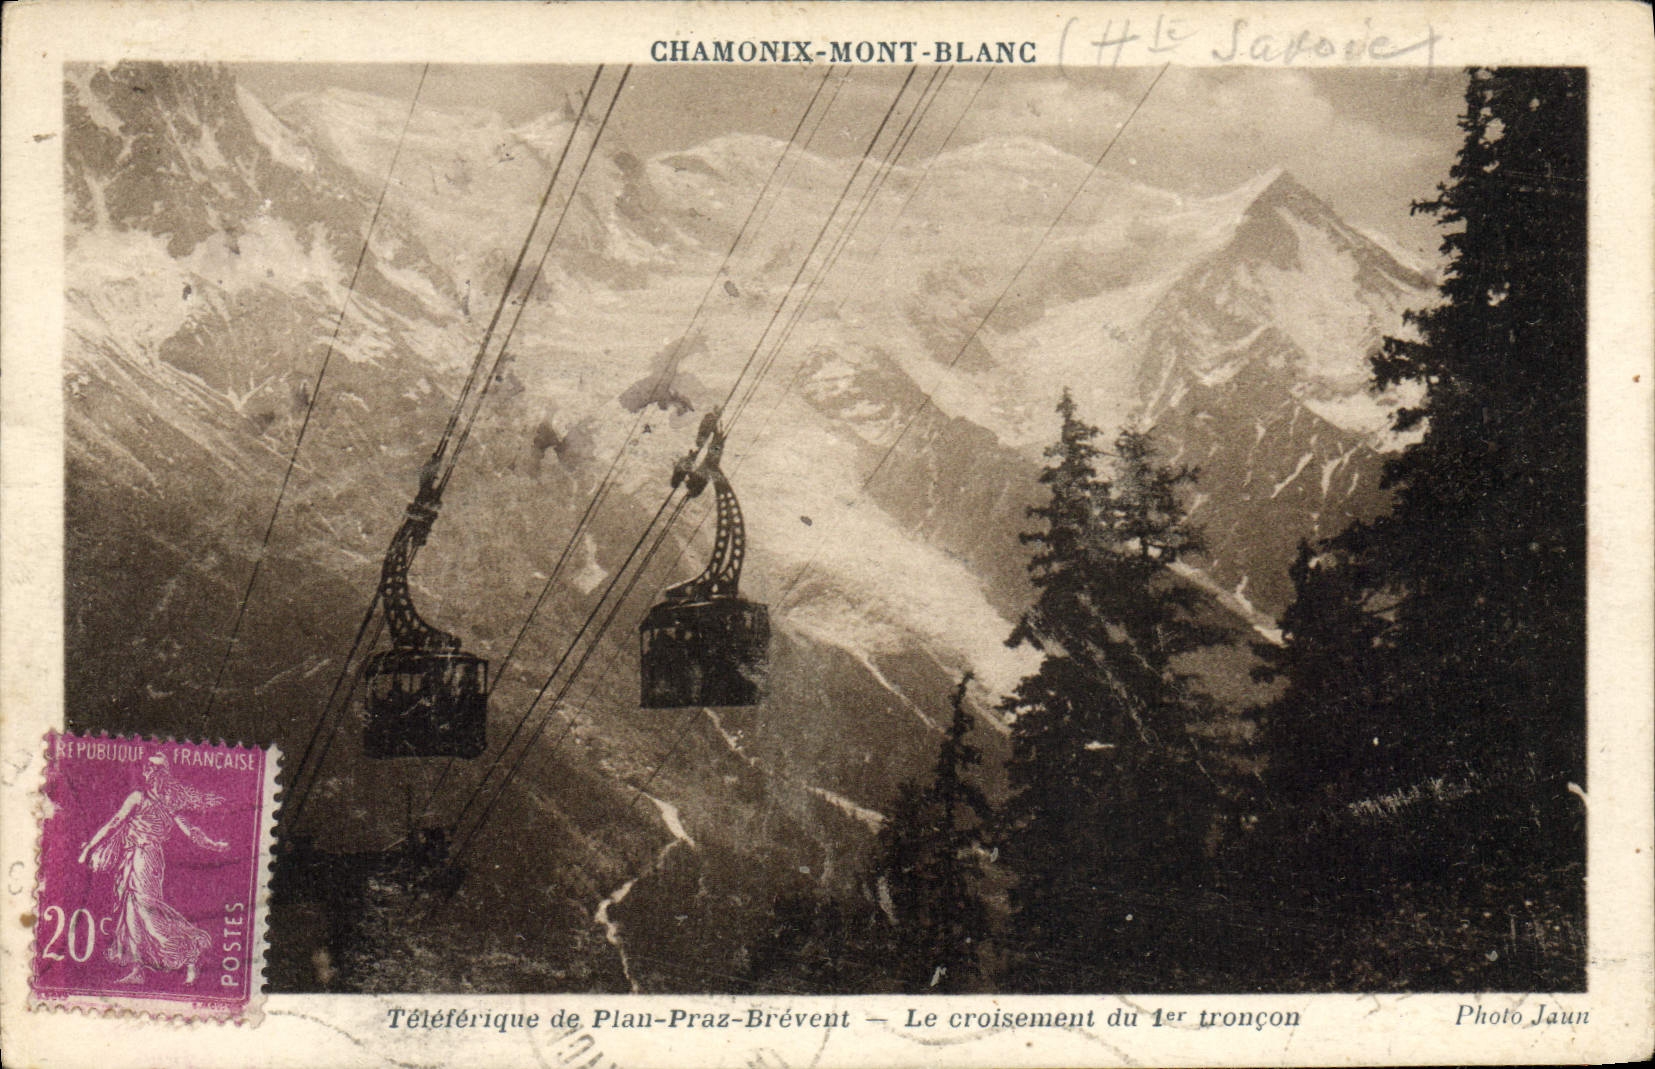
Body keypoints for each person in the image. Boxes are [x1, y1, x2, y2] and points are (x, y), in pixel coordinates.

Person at [76, 753, 228, 984]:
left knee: (147, 911)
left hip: (144, 857)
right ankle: (138, 970)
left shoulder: (149, 799)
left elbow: (115, 823)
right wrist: (212, 844)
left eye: (152, 769)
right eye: (147, 769)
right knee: (131, 911)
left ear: (159, 774)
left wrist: (88, 848)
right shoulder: (157, 801)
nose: (148, 773)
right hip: (137, 857)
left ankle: (190, 952)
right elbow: (116, 823)